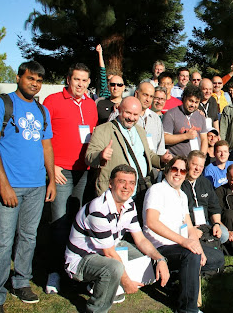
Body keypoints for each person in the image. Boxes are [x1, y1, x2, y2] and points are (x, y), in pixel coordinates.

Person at [65, 165, 169, 312]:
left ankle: (100, 286)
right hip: (81, 259)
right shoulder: (99, 210)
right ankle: (96, 308)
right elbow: (109, 253)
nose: (127, 186)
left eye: (132, 183)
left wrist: (160, 259)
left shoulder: (129, 204)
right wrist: (127, 282)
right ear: (110, 183)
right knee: (114, 267)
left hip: (108, 247)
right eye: (122, 181)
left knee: (143, 257)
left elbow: (140, 239)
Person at [0, 61, 56, 311]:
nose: (35, 83)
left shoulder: (43, 111)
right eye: (31, 78)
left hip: (36, 186)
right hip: (10, 185)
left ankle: (21, 281)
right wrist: (4, 185)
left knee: (28, 237)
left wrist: (51, 179)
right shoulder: (3, 103)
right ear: (19, 77)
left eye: (39, 80)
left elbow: (47, 146)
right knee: (3, 241)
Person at [42, 63, 98, 294]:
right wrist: (51, 166)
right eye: (77, 80)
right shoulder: (52, 101)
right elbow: (42, 138)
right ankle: (54, 271)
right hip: (61, 171)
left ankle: (74, 269)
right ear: (68, 79)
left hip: (83, 171)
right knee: (59, 222)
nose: (81, 85)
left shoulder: (91, 104)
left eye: (85, 81)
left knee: (78, 222)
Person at [143, 157, 213, 312]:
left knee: (214, 258)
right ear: (167, 170)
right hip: (158, 247)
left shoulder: (182, 195)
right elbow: (151, 222)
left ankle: (178, 282)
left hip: (177, 245)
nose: (178, 173)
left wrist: (198, 248)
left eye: (182, 170)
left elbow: (189, 228)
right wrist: (184, 242)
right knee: (191, 255)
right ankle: (187, 309)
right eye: (175, 169)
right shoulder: (157, 190)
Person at [85, 97, 171, 200]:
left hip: (140, 190)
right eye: (128, 113)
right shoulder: (103, 130)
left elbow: (148, 154)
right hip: (116, 194)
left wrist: (161, 159)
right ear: (120, 110)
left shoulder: (140, 131)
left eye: (135, 115)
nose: (131, 118)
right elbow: (89, 157)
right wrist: (100, 155)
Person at [181, 151, 229, 259]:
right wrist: (191, 229)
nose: (197, 169)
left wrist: (216, 224)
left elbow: (214, 206)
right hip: (188, 225)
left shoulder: (205, 183)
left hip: (206, 223)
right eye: (194, 164)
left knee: (224, 234)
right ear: (187, 163)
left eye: (201, 166)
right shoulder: (179, 183)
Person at [163, 85, 208, 157]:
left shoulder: (201, 116)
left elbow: (204, 140)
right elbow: (165, 139)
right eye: (191, 101)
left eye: (196, 102)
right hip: (177, 161)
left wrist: (201, 158)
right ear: (184, 98)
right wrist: (186, 136)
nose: (193, 105)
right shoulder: (171, 114)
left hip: (196, 162)